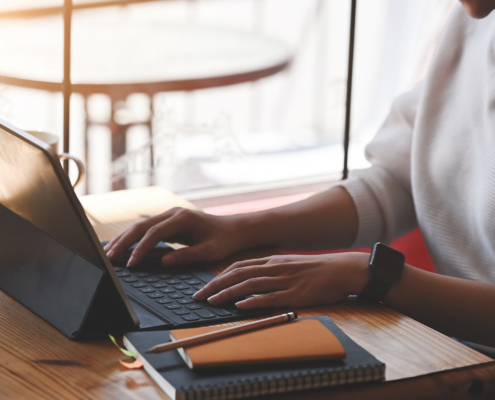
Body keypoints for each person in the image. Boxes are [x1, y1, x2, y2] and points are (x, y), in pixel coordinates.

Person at [105, 0, 495, 349]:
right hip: (450, 341)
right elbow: (397, 182)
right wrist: (244, 228)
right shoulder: (472, 22)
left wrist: (375, 276)